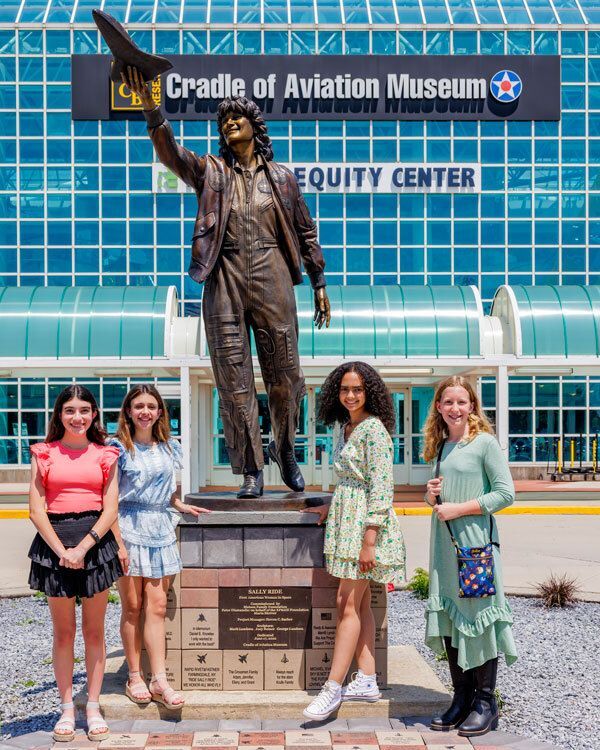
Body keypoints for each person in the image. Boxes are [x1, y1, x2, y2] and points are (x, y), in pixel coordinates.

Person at [120, 65, 331, 500]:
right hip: (225, 276)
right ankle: (250, 469)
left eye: (238, 117)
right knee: (233, 381)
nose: (229, 122)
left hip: (272, 272)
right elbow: (171, 154)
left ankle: (284, 449)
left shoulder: (283, 179)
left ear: (256, 126)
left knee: (286, 377)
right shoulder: (211, 173)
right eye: (223, 120)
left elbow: (306, 230)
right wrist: (152, 109)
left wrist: (319, 283)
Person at [302, 362, 405, 721]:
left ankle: (332, 688)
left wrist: (370, 540)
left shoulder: (374, 429)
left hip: (363, 526)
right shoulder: (346, 428)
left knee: (346, 602)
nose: (350, 395)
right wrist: (332, 504)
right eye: (345, 389)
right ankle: (367, 677)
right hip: (345, 519)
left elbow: (381, 486)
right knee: (358, 604)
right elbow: (351, 479)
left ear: (370, 392)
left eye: (358, 389)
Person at [422, 376, 517, 738]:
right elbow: (437, 502)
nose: (455, 408)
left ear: (472, 406)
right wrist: (431, 497)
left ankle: (485, 702)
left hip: (475, 546)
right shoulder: (442, 444)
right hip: (445, 548)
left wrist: (459, 508)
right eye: (448, 402)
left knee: (480, 615)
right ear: (439, 407)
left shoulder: (485, 444)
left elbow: (505, 494)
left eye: (462, 402)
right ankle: (461, 698)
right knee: (450, 616)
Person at [27, 385, 121, 742]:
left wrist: (82, 548)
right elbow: (37, 509)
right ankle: (67, 707)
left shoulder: (106, 454)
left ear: (94, 414)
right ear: (59, 415)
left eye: (84, 410)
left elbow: (110, 508)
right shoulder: (43, 452)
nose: (77, 417)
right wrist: (62, 550)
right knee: (64, 633)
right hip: (54, 547)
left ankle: (93, 705)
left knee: (95, 632)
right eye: (69, 410)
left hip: (95, 546)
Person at [109, 384, 209, 709]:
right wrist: (117, 543)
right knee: (132, 607)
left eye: (151, 406)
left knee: (158, 606)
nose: (145, 412)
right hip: (128, 529)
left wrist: (181, 506)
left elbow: (169, 494)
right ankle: (134, 675)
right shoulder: (117, 449)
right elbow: (108, 500)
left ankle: (159, 679)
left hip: (160, 529)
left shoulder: (169, 447)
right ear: (128, 411)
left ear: (160, 411)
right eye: (138, 406)